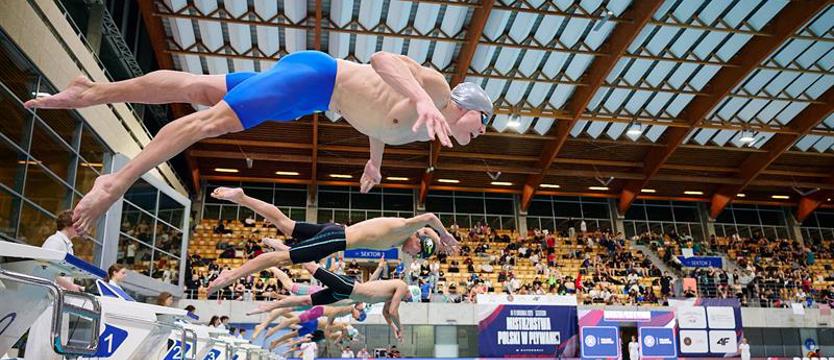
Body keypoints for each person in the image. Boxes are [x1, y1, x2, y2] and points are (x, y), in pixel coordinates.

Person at [27, 51, 493, 234]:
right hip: (315, 75)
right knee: (211, 121)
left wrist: (374, 162)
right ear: (467, 104)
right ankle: (116, 183)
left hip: (306, 99)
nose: (481, 134)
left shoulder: (423, 129)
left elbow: (379, 121)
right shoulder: (435, 90)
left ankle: (91, 91)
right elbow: (381, 60)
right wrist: (423, 98)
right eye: (482, 123)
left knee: (197, 89)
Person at [206, 187, 458, 292]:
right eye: (416, 253)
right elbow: (429, 217)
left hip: (337, 230)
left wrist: (438, 240)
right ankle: (231, 275)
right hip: (338, 238)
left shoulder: (404, 237)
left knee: (285, 224)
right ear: (417, 243)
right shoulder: (404, 229)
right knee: (284, 259)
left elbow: (428, 231)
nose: (412, 255)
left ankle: (242, 198)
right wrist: (445, 235)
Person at [249, 263, 412, 341]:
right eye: (359, 314)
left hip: (323, 301)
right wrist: (379, 268)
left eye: (357, 316)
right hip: (322, 297)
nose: (357, 314)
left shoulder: (354, 304)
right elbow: (372, 284)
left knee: (289, 302)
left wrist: (394, 328)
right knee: (290, 289)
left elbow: (386, 311)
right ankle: (263, 324)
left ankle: (265, 323)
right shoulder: (356, 302)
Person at [25, 210, 84, 360]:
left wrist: (73, 286)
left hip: (59, 300)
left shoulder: (68, 246)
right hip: (48, 300)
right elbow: (46, 269)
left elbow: (64, 273)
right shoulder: (54, 242)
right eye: (78, 223)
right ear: (70, 225)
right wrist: (71, 287)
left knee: (55, 343)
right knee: (44, 341)